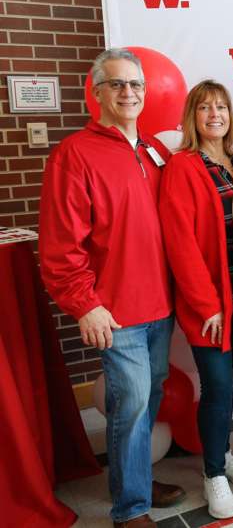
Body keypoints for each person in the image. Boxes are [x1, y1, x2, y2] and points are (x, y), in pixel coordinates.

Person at [39, 48, 185, 528]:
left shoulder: (153, 152)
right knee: (133, 403)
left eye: (136, 85)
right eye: (117, 84)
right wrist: (85, 305)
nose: (128, 93)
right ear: (97, 91)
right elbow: (61, 245)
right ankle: (130, 509)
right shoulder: (74, 154)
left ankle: (136, 480)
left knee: (148, 400)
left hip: (161, 306)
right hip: (115, 311)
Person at [159, 80, 233, 520]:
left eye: (221, 107)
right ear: (192, 117)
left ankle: (221, 450)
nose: (214, 114)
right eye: (204, 108)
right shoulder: (183, 166)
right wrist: (207, 307)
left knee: (227, 381)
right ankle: (214, 473)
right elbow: (180, 243)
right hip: (211, 304)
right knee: (218, 385)